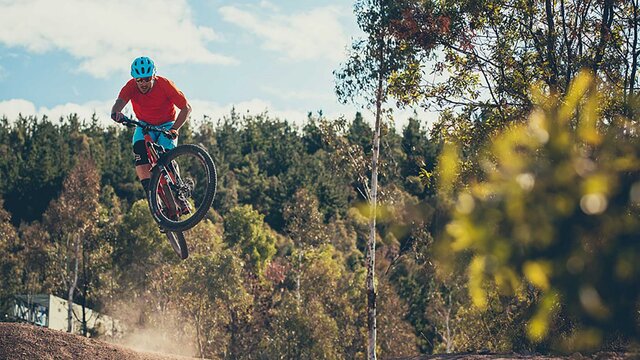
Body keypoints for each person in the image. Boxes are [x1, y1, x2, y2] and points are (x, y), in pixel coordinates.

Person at [110, 56, 192, 197]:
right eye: (139, 80)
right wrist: (116, 113)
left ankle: (177, 185)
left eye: (147, 79)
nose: (143, 83)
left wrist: (174, 129)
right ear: (134, 79)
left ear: (153, 76)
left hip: (166, 124)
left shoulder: (165, 85)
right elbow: (118, 104)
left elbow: (186, 108)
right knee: (139, 151)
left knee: (164, 155)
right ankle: (151, 193)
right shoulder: (130, 86)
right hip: (144, 125)